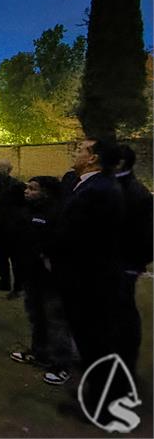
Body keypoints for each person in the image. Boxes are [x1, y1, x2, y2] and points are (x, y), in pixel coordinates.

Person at [53, 138, 126, 410]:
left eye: (80, 150)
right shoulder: (90, 185)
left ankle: (102, 404)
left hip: (88, 277)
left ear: (93, 158)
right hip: (86, 274)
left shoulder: (98, 189)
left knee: (95, 340)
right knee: (90, 339)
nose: (75, 153)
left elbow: (80, 235)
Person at [9, 176, 74, 386]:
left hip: (50, 277)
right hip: (32, 273)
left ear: (46, 192)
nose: (27, 191)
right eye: (27, 187)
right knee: (36, 315)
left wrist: (47, 257)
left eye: (33, 188)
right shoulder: (29, 210)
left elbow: (59, 242)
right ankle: (39, 352)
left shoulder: (58, 212)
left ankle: (61, 364)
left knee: (55, 319)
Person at [113, 145, 152, 377]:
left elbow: (146, 237)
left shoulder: (135, 193)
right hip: (110, 264)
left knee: (122, 315)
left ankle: (125, 367)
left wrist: (131, 266)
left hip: (122, 266)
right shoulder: (114, 186)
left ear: (119, 163)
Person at [0, 160, 26, 295]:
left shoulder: (17, 185)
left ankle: (18, 286)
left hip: (12, 228)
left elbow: (23, 205)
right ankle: (4, 281)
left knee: (15, 257)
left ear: (7, 169)